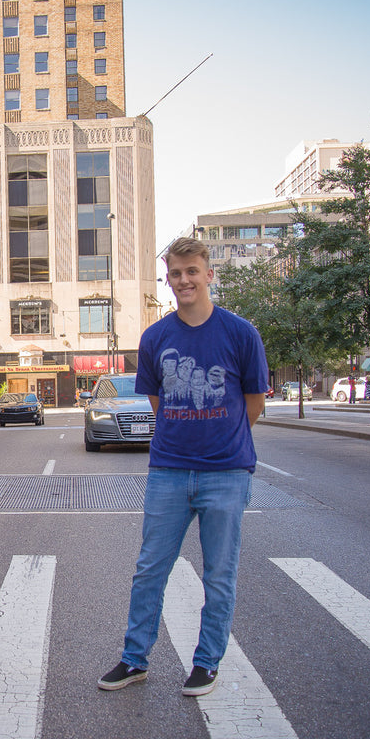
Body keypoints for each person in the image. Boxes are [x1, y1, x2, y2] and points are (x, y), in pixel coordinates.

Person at [99, 236, 268, 698]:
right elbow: (159, 402)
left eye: (192, 271)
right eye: (176, 274)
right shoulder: (155, 337)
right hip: (169, 469)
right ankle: (135, 659)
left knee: (219, 573)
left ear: (209, 274)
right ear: (168, 279)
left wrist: (223, 440)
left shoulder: (240, 333)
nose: (184, 280)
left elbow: (254, 404)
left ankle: (206, 663)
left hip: (226, 473)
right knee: (150, 568)